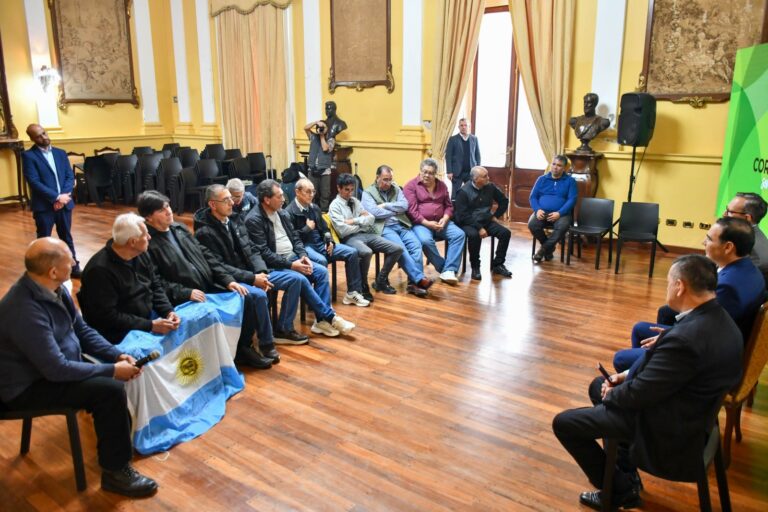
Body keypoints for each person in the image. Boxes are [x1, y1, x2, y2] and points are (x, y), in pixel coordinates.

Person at [553, 254, 743, 510]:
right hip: (692, 410)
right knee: (599, 384)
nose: (667, 287)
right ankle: (624, 474)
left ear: (680, 286)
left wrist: (613, 394)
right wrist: (623, 377)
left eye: (668, 282)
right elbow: (666, 372)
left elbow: (638, 395)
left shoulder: (686, 339)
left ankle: (618, 491)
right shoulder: (719, 320)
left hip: (667, 425)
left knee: (565, 423)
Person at [0, 238, 158, 497]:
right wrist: (111, 370)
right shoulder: (23, 310)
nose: (74, 262)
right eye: (69, 260)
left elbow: (82, 330)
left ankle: (117, 456)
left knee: (110, 381)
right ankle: (116, 473)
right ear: (53, 271)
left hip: (52, 367)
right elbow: (56, 370)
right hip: (26, 386)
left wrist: (117, 354)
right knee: (109, 391)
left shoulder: (53, 288)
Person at [136, 191, 276, 369]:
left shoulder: (178, 229)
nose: (169, 211)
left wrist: (228, 281)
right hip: (186, 295)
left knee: (246, 296)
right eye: (162, 210)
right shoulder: (148, 243)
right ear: (148, 216)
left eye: (168, 206)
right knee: (244, 298)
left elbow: (208, 257)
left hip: (207, 284)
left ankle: (243, 347)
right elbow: (157, 282)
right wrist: (186, 292)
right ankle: (233, 352)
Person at [613, 217, 765, 372]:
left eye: (708, 239)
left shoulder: (728, 287)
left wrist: (669, 338)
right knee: (649, 323)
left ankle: (647, 374)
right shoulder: (750, 270)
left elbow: (708, 329)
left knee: (621, 358)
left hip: (709, 355)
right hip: (716, 339)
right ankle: (646, 371)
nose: (703, 243)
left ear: (728, 247)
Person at [193, 184, 309, 344]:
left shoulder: (234, 219)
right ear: (213, 204)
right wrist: (253, 278)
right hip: (232, 280)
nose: (232, 203)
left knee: (295, 279)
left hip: (252, 272)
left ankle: (284, 328)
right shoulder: (204, 233)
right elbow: (220, 267)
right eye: (226, 200)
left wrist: (261, 271)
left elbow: (252, 249)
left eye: (231, 199)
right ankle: (266, 344)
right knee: (260, 295)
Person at [245, 180, 356, 337]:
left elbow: (296, 240)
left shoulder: (281, 213)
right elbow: (264, 253)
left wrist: (303, 256)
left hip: (292, 257)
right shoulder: (254, 219)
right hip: (272, 265)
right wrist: (292, 265)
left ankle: (321, 321)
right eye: (279, 196)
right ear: (267, 200)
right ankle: (329, 317)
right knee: (299, 278)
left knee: (321, 271)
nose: (284, 199)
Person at [79, 213, 180, 344]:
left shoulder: (141, 253)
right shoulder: (99, 271)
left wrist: (168, 311)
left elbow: (155, 286)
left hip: (146, 318)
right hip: (121, 333)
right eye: (145, 235)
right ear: (132, 242)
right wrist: (150, 325)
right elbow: (107, 317)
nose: (149, 237)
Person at [286, 178, 370, 306]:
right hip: (304, 247)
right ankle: (319, 301)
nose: (311, 195)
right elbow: (291, 238)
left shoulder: (314, 208)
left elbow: (325, 228)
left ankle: (352, 293)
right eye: (308, 192)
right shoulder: (289, 212)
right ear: (297, 192)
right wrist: (307, 229)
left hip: (320, 243)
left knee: (352, 252)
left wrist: (329, 240)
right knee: (321, 260)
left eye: (313, 192)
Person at [328, 173, 404, 297]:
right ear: (339, 188)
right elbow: (342, 230)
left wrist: (354, 221)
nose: (350, 193)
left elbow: (371, 218)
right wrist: (361, 223)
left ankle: (380, 280)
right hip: (349, 239)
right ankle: (363, 285)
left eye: (352, 190)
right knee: (366, 252)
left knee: (397, 249)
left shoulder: (355, 201)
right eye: (346, 190)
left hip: (365, 234)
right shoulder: (334, 206)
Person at [362, 165, 432, 297]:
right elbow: (374, 212)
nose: (388, 183)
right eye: (385, 180)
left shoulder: (396, 188)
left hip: (401, 225)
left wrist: (386, 206)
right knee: (400, 248)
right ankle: (419, 279)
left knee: (416, 246)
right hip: (384, 227)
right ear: (377, 178)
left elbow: (404, 206)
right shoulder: (367, 193)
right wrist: (394, 211)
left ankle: (413, 284)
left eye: (390, 179)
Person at [21, 124, 81, 277]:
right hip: (44, 206)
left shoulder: (61, 153)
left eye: (44, 133)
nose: (44, 137)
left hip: (64, 204)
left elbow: (69, 176)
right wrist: (55, 197)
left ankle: (73, 267)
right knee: (43, 240)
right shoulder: (29, 156)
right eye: (38, 136)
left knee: (66, 236)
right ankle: (42, 272)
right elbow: (34, 182)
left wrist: (63, 197)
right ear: (32, 139)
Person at [404, 158, 465, 284]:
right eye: (424, 172)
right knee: (425, 241)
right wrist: (428, 223)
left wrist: (445, 218)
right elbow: (412, 211)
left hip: (441, 222)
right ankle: (445, 269)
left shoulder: (441, 185)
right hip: (421, 224)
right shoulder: (411, 186)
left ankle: (450, 269)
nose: (427, 175)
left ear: (435, 174)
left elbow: (449, 206)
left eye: (431, 173)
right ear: (420, 171)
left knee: (459, 234)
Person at [454, 166, 512, 280]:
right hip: (468, 222)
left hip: (486, 220)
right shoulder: (463, 191)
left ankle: (498, 264)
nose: (488, 178)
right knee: (474, 236)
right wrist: (479, 228)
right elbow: (463, 215)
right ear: (475, 179)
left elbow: (504, 201)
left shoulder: (490, 187)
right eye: (485, 176)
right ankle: (475, 267)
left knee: (505, 233)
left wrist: (495, 216)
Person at [528, 155, 578, 262]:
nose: (555, 167)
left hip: (561, 214)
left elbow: (572, 200)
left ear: (564, 168)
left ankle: (542, 250)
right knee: (532, 224)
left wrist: (559, 213)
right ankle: (549, 249)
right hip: (542, 212)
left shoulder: (570, 181)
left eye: (559, 165)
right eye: (554, 164)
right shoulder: (541, 179)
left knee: (562, 227)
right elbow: (533, 197)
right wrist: (537, 210)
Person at [723, 191, 768, 283]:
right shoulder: (739, 236)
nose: (724, 214)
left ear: (747, 218)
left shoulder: (756, 255)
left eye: (729, 212)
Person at [445, 118, 481, 199]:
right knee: (455, 194)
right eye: (461, 125)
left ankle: (470, 211)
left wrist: (478, 170)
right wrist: (449, 171)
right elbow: (448, 156)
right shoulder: (453, 139)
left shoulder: (474, 139)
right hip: (457, 172)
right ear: (458, 127)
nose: (463, 127)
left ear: (469, 127)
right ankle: (455, 210)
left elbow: (477, 155)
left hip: (471, 172)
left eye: (465, 125)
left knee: (472, 193)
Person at [304, 120, 335, 212]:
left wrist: (322, 135)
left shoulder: (331, 139)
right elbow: (305, 128)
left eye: (323, 127)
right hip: (312, 169)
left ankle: (324, 211)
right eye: (319, 127)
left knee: (325, 194)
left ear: (327, 129)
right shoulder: (313, 137)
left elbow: (325, 148)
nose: (320, 129)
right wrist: (316, 122)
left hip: (325, 171)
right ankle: (311, 211)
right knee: (310, 192)